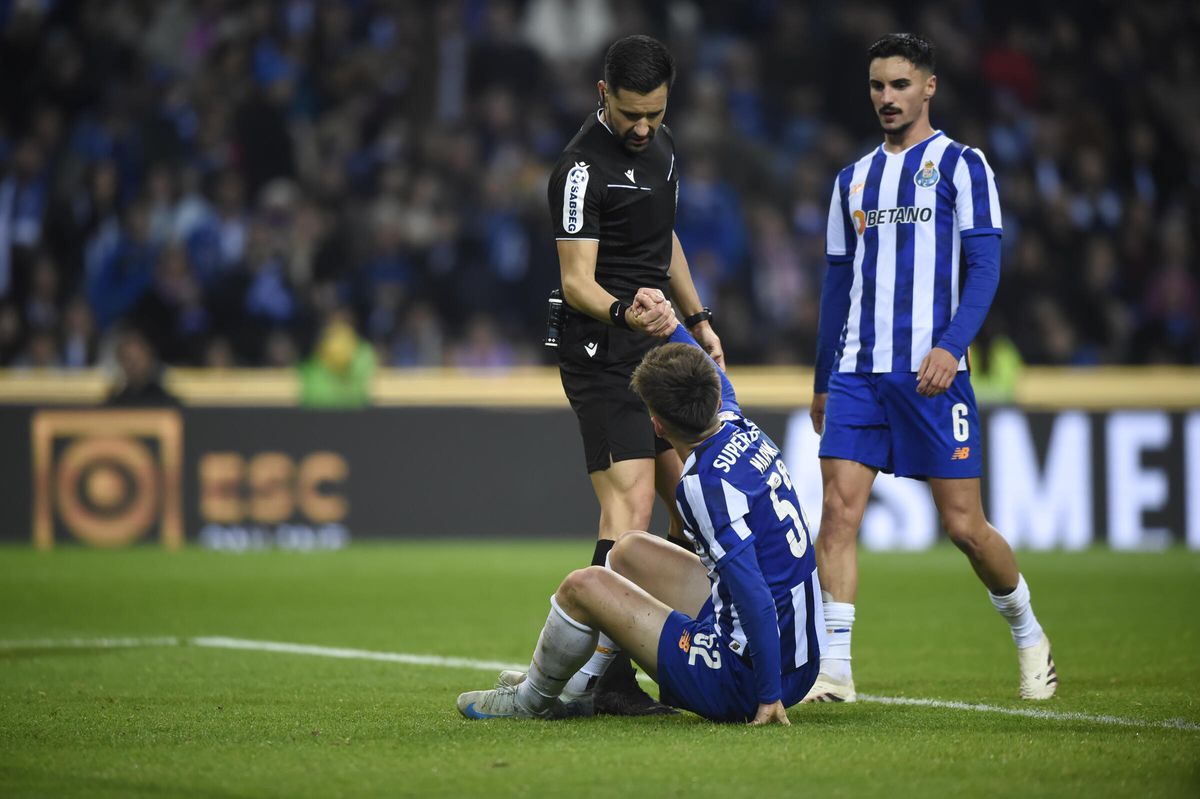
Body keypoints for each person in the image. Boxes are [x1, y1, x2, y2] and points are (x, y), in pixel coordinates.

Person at [805, 33, 1056, 703]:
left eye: (899, 85)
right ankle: (836, 671)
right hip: (859, 372)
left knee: (965, 528)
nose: (886, 97)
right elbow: (837, 285)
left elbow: (985, 266)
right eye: (877, 86)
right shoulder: (851, 178)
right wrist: (823, 378)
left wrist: (952, 344)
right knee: (836, 513)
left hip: (931, 374)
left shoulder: (962, 166)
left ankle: (1029, 633)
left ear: (928, 87)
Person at [456, 291, 822, 724]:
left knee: (582, 586)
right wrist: (672, 328)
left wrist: (765, 697)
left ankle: (530, 701)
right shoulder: (740, 425)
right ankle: (587, 681)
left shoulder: (703, 485)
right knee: (627, 551)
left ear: (657, 425)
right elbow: (713, 377)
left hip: (745, 678)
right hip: (799, 657)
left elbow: (754, 595)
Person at [545, 34, 724, 714]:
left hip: (656, 342)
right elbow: (575, 282)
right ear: (603, 95)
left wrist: (698, 315)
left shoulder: (666, 149)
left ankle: (663, 659)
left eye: (655, 112)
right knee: (629, 504)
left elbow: (663, 238)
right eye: (631, 115)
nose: (643, 127)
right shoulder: (580, 170)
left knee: (694, 506)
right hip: (601, 351)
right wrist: (628, 312)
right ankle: (601, 675)